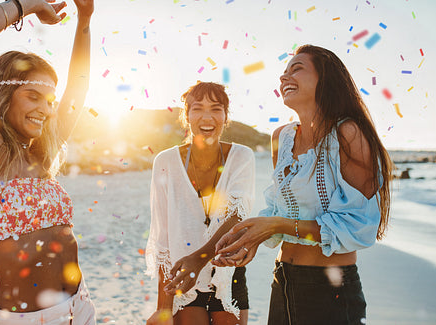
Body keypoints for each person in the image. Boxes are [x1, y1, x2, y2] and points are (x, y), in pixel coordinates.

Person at [212, 45, 393, 325]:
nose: (284, 78)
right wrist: (250, 237)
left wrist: (274, 226)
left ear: (326, 79)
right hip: (282, 281)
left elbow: (355, 225)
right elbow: (279, 209)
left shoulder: (349, 134)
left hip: (331, 291)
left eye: (296, 69)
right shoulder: (281, 138)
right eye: (283, 72)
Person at [0, 0, 95, 323]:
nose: (46, 110)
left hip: (81, 307)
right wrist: (28, 4)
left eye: (49, 100)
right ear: (3, 95)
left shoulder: (42, 158)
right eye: (33, 96)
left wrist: (84, 21)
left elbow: (80, 86)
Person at [145, 82, 255, 325]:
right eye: (198, 109)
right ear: (187, 116)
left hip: (228, 274)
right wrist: (164, 308)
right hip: (183, 279)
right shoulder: (165, 162)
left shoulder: (242, 157)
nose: (207, 117)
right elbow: (162, 238)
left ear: (226, 116)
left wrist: (199, 259)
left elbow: (237, 216)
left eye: (216, 109)